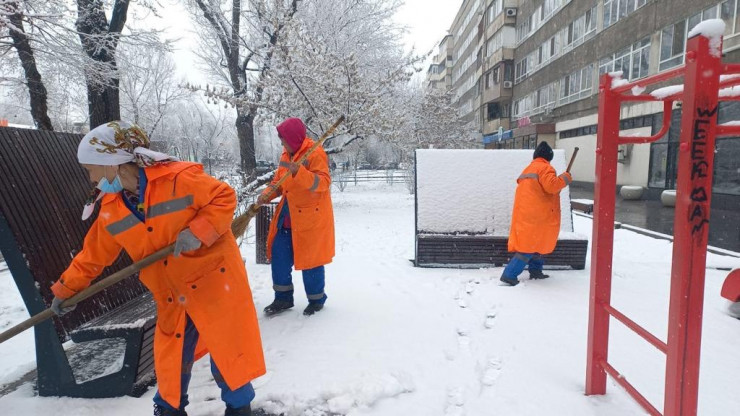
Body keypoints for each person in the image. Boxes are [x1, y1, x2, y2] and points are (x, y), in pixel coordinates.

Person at [49, 121, 265, 416]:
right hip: (170, 292)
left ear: (113, 164)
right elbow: (93, 255)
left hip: (214, 281)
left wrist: (198, 231)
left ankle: (240, 408)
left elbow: (223, 197)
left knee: (228, 351)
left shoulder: (178, 179)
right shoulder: (112, 208)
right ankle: (168, 409)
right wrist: (66, 289)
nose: (91, 178)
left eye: (91, 169)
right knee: (172, 355)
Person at [257, 117, 335, 316]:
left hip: (309, 217)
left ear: (293, 138)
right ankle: (282, 299)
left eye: (284, 139)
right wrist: (268, 193)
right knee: (279, 257)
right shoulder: (286, 153)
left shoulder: (314, 153)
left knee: (311, 260)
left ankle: (316, 300)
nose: (282, 143)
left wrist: (299, 172)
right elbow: (279, 181)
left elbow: (323, 183)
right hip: (287, 215)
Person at [500, 141, 572, 286]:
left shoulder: (529, 168)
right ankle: (509, 275)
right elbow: (552, 186)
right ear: (548, 156)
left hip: (527, 213)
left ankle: (536, 271)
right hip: (538, 215)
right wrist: (565, 178)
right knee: (529, 247)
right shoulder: (545, 168)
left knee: (537, 244)